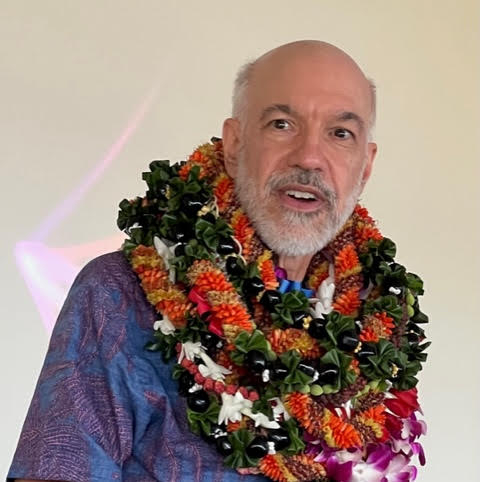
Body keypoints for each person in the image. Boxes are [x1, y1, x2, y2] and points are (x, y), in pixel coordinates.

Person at [9, 40, 427, 482]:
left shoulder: (377, 331)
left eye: (340, 133)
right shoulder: (118, 296)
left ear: (365, 167)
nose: (309, 157)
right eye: (281, 124)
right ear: (234, 143)